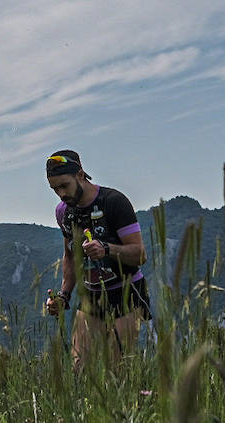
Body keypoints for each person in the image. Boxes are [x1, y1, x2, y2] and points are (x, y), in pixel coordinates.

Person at [43, 150, 150, 370]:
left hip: (126, 293)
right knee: (79, 370)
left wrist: (106, 249)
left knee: (117, 371)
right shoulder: (63, 212)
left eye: (64, 186)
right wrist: (63, 296)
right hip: (91, 295)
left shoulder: (114, 202)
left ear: (80, 175)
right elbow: (70, 256)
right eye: (55, 189)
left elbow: (140, 254)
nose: (61, 194)